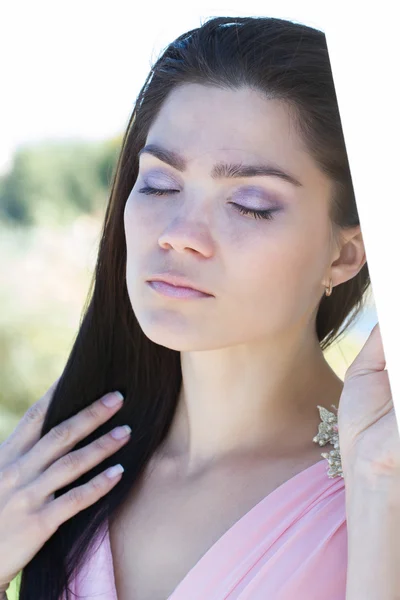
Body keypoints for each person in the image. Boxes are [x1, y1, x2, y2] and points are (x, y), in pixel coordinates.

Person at [0, 15, 370, 600]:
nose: (179, 233)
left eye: (249, 203)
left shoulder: (372, 489)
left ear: (345, 254)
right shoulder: (64, 481)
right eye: (159, 185)